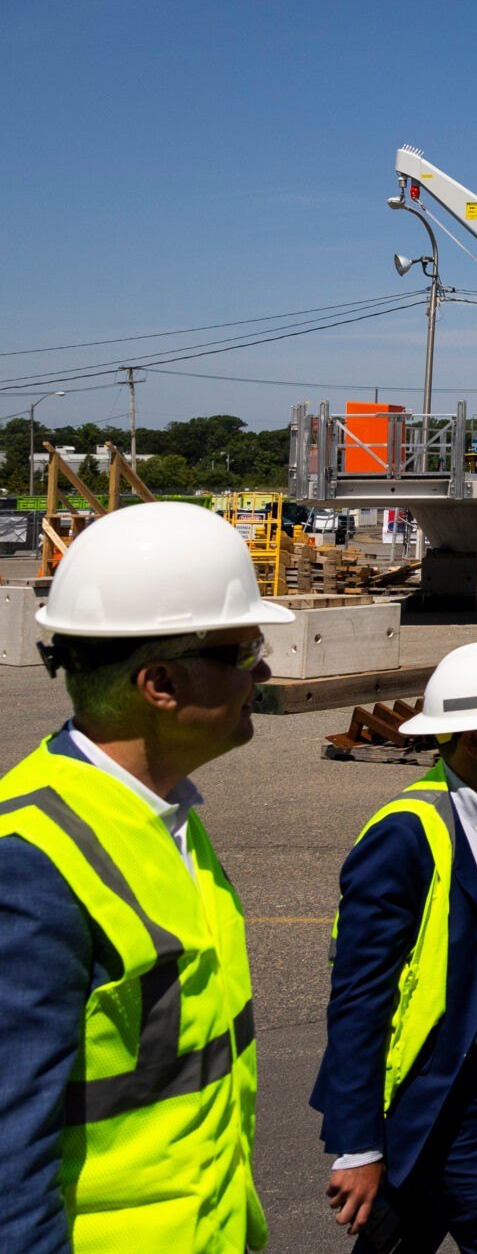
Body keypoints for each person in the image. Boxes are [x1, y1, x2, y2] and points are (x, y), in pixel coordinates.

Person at [0, 501, 293, 1251]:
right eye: (239, 651)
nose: (261, 670)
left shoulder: (166, 816)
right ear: (158, 683)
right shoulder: (31, 861)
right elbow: (9, 1166)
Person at [313, 643, 477, 1251]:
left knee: (400, 1235)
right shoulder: (405, 834)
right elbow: (359, 996)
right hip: (439, 1086)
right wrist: (358, 1144)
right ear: (473, 741)